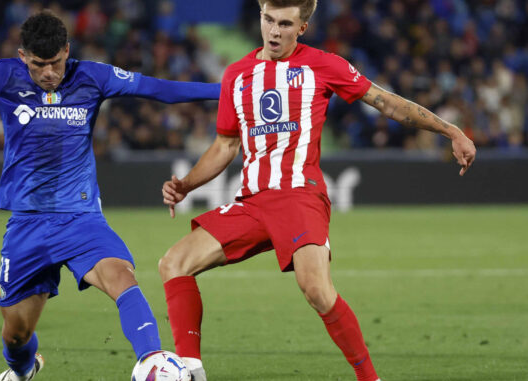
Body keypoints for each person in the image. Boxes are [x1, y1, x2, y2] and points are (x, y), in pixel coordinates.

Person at [158, 1, 477, 381]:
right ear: (260, 17)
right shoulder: (237, 75)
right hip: (252, 204)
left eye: (285, 24)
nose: (275, 31)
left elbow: (387, 103)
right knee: (173, 263)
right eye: (268, 20)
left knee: (315, 290)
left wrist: (450, 130)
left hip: (299, 196)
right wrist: (185, 185)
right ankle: (190, 371)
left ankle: (370, 379)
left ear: (303, 27)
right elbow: (226, 145)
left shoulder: (324, 66)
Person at [0, 11, 219, 381]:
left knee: (121, 277)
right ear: (22, 56)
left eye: (55, 63)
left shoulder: (93, 76)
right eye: (38, 65)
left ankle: (153, 359)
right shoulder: (3, 75)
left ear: (67, 50)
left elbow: (160, 89)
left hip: (80, 217)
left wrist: (227, 90)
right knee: (16, 334)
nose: (48, 73)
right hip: (27, 224)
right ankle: (24, 367)